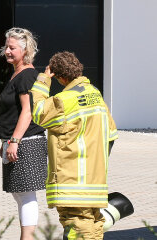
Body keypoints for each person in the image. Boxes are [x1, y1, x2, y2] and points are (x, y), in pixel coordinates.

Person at [30, 52, 118, 240]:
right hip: (95, 181)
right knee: (93, 225)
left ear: (59, 76)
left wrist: (43, 81)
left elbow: (38, 112)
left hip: (73, 182)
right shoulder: (95, 94)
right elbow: (112, 134)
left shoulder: (64, 100)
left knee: (78, 225)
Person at [0, 27, 47, 240]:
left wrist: (15, 140)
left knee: (26, 195)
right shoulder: (17, 73)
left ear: (25, 51)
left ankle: (27, 238)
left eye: (12, 47)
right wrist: (7, 141)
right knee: (20, 194)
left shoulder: (26, 75)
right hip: (17, 140)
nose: (7, 51)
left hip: (27, 142)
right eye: (6, 46)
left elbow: (27, 111)